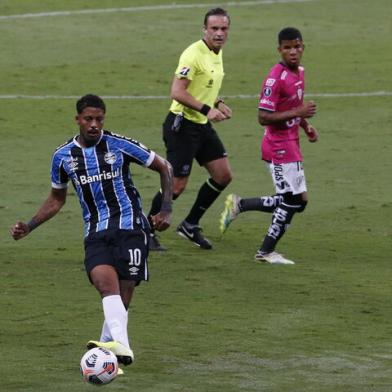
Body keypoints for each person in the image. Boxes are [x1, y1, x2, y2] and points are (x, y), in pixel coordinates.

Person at [10, 94, 173, 369]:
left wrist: (166, 209)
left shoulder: (119, 145)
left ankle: (107, 350)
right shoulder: (63, 157)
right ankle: (121, 346)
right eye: (88, 119)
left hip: (131, 228)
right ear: (78, 120)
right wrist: (30, 225)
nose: (94, 124)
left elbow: (164, 166)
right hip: (96, 232)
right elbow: (56, 199)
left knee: (123, 292)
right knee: (104, 284)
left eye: (99, 119)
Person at [220, 27, 319, 265]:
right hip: (278, 146)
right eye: (287, 48)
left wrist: (305, 126)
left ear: (303, 47)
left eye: (297, 47)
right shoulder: (275, 78)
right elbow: (263, 117)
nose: (293, 52)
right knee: (292, 201)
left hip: (292, 142)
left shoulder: (300, 72)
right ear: (279, 50)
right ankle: (265, 252)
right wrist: (300, 112)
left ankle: (240, 204)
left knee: (299, 202)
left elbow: (293, 105)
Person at [148, 7, 233, 251]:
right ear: (204, 29)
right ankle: (145, 229)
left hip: (201, 124)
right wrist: (208, 110)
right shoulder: (193, 54)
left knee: (223, 175)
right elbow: (177, 92)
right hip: (182, 125)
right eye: (214, 28)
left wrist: (217, 102)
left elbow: (203, 85)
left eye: (223, 29)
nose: (219, 33)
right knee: (176, 185)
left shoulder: (216, 52)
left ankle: (190, 224)